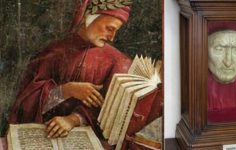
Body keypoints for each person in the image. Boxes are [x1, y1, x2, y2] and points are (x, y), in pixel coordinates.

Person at [9, 0, 162, 149]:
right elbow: (24, 104)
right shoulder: (53, 52)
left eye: (116, 31)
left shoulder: (119, 62)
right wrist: (67, 90)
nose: (112, 37)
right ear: (90, 17)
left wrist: (73, 119)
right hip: (44, 137)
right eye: (109, 28)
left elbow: (114, 115)